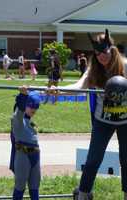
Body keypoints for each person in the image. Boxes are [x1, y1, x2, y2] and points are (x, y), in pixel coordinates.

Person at [61, 29, 127, 200]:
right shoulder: (94, 68)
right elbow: (79, 85)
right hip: (102, 121)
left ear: (111, 49)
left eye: (103, 52)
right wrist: (57, 91)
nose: (100, 57)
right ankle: (83, 195)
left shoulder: (125, 65)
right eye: (97, 54)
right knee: (92, 160)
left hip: (125, 121)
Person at [9, 86, 41, 200]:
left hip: (35, 158)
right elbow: (20, 112)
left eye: (36, 106)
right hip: (23, 157)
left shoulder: (30, 122)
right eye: (31, 105)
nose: (34, 108)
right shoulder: (17, 121)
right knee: (20, 186)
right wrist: (23, 95)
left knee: (35, 186)